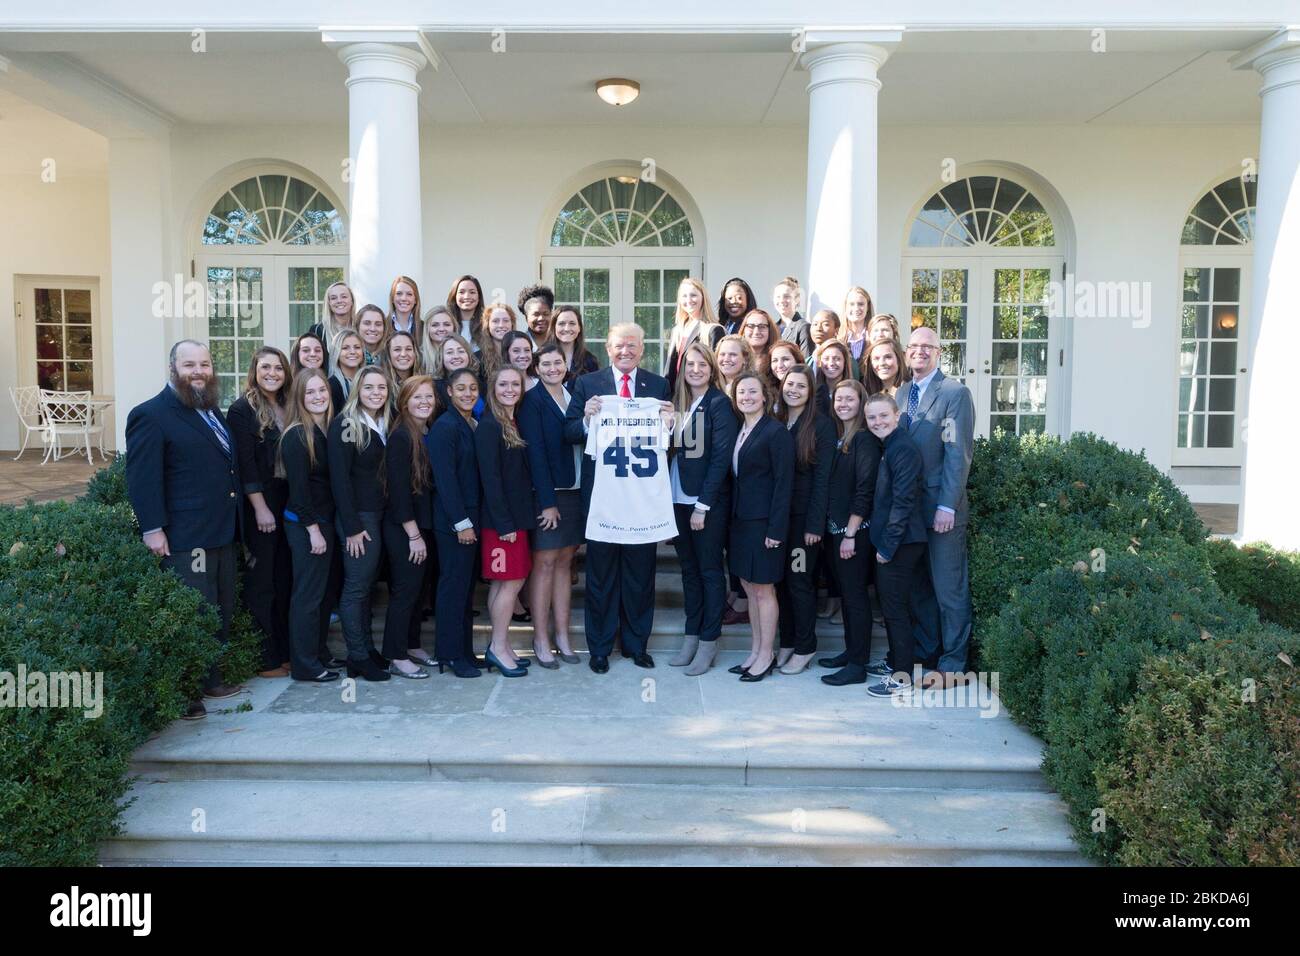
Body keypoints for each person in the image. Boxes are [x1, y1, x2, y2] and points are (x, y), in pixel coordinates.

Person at [125, 340, 245, 718]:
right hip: (185, 535)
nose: (199, 371)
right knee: (193, 613)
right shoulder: (151, 414)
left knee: (220, 609)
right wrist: (152, 529)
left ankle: (211, 679)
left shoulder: (210, 410)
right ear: (172, 368)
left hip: (221, 531)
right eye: (190, 364)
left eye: (205, 364)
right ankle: (185, 693)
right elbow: (143, 479)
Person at [564, 322, 673, 673]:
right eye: (618, 346)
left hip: (642, 502)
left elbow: (667, 442)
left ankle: (636, 645)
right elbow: (567, 432)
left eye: (632, 346)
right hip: (603, 500)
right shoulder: (588, 384)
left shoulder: (657, 385)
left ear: (642, 349)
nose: (625, 352)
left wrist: (669, 424)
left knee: (640, 577)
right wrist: (585, 418)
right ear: (608, 349)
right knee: (600, 578)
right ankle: (598, 648)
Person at [897, 325, 975, 689]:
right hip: (910, 511)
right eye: (914, 346)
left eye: (927, 346)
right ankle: (927, 654)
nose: (920, 352)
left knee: (949, 588)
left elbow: (957, 454)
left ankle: (954, 663)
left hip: (941, 509)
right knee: (920, 589)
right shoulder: (901, 393)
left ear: (939, 352)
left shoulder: (954, 393)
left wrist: (948, 505)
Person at [329, 368, 406, 676]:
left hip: (378, 515)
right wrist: (352, 528)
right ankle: (357, 656)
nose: (376, 392)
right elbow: (340, 480)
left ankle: (367, 650)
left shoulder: (383, 423)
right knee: (356, 588)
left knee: (368, 588)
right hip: (359, 519)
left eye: (381, 387)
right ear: (357, 390)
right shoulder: (345, 424)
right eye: (369, 387)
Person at [667, 341, 737, 676]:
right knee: (689, 572)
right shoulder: (681, 404)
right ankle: (691, 636)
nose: (696, 370)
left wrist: (703, 506)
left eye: (703, 365)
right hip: (677, 499)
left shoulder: (719, 404)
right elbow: (677, 452)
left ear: (712, 369)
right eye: (690, 364)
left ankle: (709, 641)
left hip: (704, 504)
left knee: (709, 572)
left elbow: (721, 459)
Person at [225, 347, 293, 679]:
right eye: (265, 367)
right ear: (254, 370)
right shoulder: (242, 410)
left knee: (283, 578)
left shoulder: (288, 405)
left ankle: (284, 652)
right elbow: (245, 465)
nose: (272, 373)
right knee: (262, 581)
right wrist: (260, 508)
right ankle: (265, 658)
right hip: (261, 503)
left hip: (288, 500)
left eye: (278, 368)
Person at [519, 344, 585, 666]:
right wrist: (546, 503)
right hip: (548, 495)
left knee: (565, 563)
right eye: (545, 363)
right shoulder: (532, 401)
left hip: (575, 491)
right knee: (544, 564)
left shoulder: (575, 396)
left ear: (565, 365)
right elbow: (535, 453)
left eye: (557, 362)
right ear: (536, 367)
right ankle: (540, 638)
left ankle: (563, 635)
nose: (552, 368)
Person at [276, 368, 342, 684]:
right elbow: (299, 492)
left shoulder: (326, 430)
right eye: (310, 393)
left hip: (326, 523)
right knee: (308, 597)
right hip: (306, 527)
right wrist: (313, 530)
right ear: (300, 398)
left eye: (322, 391)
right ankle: (304, 664)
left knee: (324, 596)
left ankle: (318, 652)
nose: (317, 397)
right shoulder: (296, 435)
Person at [726, 371, 794, 682]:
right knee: (750, 590)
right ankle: (755, 650)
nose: (747, 397)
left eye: (752, 392)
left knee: (764, 591)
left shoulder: (775, 432)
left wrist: (776, 530)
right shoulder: (741, 429)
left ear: (764, 396)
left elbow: (784, 485)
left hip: (765, 524)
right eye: (741, 393)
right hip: (741, 522)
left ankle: (767, 654)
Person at [863, 392, 928, 699]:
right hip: (896, 541)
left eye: (883, 416)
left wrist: (887, 547)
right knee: (894, 608)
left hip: (901, 543)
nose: (878, 422)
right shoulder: (890, 446)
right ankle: (894, 662)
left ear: (897, 416)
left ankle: (902, 677)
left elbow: (903, 502)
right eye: (872, 418)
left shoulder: (902, 449)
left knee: (895, 610)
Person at [818, 380, 881, 687]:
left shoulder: (864, 440)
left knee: (856, 598)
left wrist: (850, 534)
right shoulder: (840, 436)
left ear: (861, 402)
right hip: (837, 531)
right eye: (838, 398)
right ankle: (850, 651)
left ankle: (858, 663)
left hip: (854, 533)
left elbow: (864, 489)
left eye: (849, 399)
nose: (842, 403)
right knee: (847, 595)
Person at [475, 366, 536, 677]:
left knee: (507, 582)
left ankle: (501, 645)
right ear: (492, 388)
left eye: (515, 383)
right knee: (510, 583)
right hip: (502, 523)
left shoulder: (511, 420)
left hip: (515, 518)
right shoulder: (489, 425)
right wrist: (505, 524)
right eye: (503, 384)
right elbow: (491, 479)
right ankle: (497, 647)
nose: (510, 389)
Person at [774, 366, 835, 674]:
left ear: (811, 391)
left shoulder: (821, 426)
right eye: (789, 384)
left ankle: (805, 646)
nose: (793, 389)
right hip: (779, 520)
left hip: (803, 525)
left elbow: (823, 478)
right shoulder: (779, 421)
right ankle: (786, 642)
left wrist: (815, 525)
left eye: (800, 385)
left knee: (799, 581)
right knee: (781, 582)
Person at [382, 375, 440, 679]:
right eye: (417, 397)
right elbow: (399, 492)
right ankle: (395, 654)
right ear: (404, 402)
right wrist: (414, 535)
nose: (424, 402)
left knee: (418, 590)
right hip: (404, 529)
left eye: (428, 397)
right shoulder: (401, 436)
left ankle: (412, 644)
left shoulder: (424, 430)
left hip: (422, 525)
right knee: (405, 591)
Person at [427, 367, 483, 677]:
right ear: (449, 391)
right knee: (452, 588)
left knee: (464, 591)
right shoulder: (445, 426)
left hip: (471, 517)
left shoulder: (471, 422)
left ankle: (465, 652)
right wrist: (461, 523)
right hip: (454, 522)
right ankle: (449, 654)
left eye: (473, 388)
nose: (467, 393)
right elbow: (445, 481)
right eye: (461, 388)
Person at [662, 276, 724, 394]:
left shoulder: (713, 330)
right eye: (684, 296)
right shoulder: (677, 331)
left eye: (693, 295)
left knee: (699, 414)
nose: (689, 300)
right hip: (679, 396)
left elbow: (717, 371)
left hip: (701, 396)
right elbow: (670, 370)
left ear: (703, 298)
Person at [433, 333, 486, 419]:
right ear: (441, 358)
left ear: (468, 355)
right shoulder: (435, 389)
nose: (456, 356)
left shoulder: (481, 384)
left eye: (461, 351)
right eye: (449, 352)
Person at [308, 280, 355, 371]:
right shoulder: (317, 330)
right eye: (333, 298)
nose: (339, 301)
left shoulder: (359, 328)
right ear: (329, 303)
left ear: (352, 301)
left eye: (344, 297)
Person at [548, 304, 600, 385]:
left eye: (572, 323)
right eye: (561, 323)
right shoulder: (542, 357)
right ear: (554, 327)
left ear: (579, 328)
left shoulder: (590, 361)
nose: (567, 328)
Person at [477, 301, 518, 380]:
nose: (501, 325)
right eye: (495, 321)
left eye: (506, 320)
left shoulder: (521, 355)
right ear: (488, 325)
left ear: (512, 324)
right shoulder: (478, 359)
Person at [773, 276, 814, 355]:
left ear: (797, 299)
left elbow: (806, 361)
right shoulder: (773, 327)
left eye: (786, 296)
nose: (781, 300)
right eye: (778, 296)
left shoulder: (803, 327)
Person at [839, 286, 876, 371]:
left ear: (868, 307)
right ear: (845, 307)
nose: (856, 308)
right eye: (851, 304)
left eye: (861, 304)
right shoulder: (837, 336)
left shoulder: (875, 335)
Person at [813, 339, 853, 416]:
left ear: (845, 362)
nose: (831, 363)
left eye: (837, 359)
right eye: (826, 359)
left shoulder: (854, 392)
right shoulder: (813, 393)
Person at [328, 330, 366, 411]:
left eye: (357, 347)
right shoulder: (331, 386)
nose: (352, 352)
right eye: (345, 348)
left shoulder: (369, 380)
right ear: (336, 353)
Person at [447, 274, 485, 344]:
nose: (467, 296)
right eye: (461, 292)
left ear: (479, 297)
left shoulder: (487, 325)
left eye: (472, 292)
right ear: (454, 296)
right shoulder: (446, 324)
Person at [421, 304, 456, 375]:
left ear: (454, 327)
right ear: (427, 329)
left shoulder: (462, 354)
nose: (441, 329)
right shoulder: (419, 357)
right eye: (435, 325)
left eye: (446, 324)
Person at [388, 275, 423, 341]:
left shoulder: (424, 328)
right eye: (399, 293)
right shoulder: (383, 326)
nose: (404, 298)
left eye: (409, 294)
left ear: (415, 300)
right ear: (392, 298)